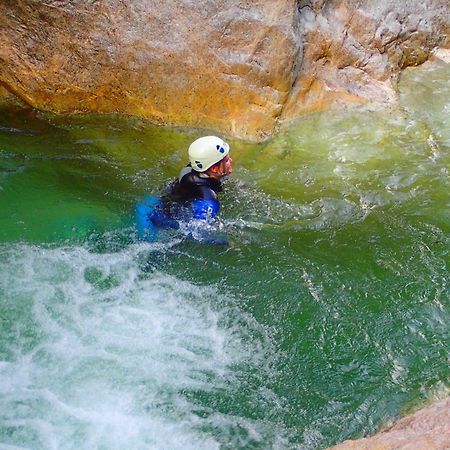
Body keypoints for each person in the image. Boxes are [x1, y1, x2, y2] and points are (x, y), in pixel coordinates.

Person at [136, 135, 232, 241]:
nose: (231, 160)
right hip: (154, 218)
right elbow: (197, 234)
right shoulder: (209, 202)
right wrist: (224, 242)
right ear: (214, 169)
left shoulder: (192, 170)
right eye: (227, 160)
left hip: (149, 204)